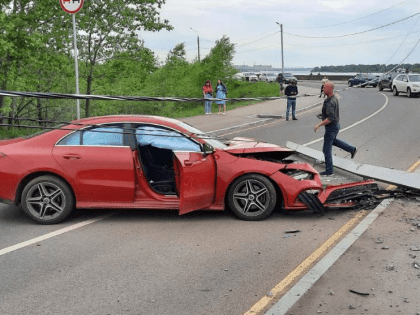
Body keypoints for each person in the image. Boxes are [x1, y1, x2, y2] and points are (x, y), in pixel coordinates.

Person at [314, 82, 357, 176]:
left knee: (326, 150)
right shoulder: (333, 98)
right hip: (335, 126)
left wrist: (319, 124)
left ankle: (329, 171)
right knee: (333, 141)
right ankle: (352, 149)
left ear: (330, 89)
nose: (323, 89)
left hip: (331, 127)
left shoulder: (330, 102)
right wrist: (322, 115)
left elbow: (330, 118)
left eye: (324, 88)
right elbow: (331, 114)